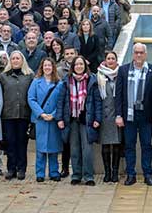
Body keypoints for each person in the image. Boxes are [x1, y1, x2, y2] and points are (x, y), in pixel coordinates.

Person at [115, 43, 152, 186]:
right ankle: (131, 174)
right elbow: (119, 95)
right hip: (128, 115)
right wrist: (118, 115)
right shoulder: (123, 70)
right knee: (129, 145)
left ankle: (148, 174)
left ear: (145, 54)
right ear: (133, 54)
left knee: (147, 145)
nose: (139, 55)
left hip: (146, 115)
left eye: (141, 52)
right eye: (136, 52)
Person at [61, 56, 101, 186]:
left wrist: (97, 118)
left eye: (81, 64)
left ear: (85, 66)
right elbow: (61, 101)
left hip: (87, 119)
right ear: (73, 66)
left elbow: (97, 101)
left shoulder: (92, 80)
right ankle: (76, 175)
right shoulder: (67, 80)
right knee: (74, 149)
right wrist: (60, 118)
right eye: (76, 64)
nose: (79, 66)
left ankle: (89, 176)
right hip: (71, 120)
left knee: (87, 149)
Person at [28, 58, 67, 182]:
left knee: (54, 148)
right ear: (42, 67)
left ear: (53, 67)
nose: (47, 68)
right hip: (41, 120)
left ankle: (54, 172)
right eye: (45, 65)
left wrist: (54, 114)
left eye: (49, 65)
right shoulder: (36, 82)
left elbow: (62, 101)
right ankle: (40, 173)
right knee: (41, 148)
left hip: (54, 120)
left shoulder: (59, 83)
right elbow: (31, 99)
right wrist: (41, 113)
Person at [0, 51, 35, 180]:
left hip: (24, 114)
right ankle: (11, 168)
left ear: (22, 60)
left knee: (22, 142)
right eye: (13, 58)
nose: (15, 60)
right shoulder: (3, 76)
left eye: (17, 58)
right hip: (8, 115)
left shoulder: (29, 75)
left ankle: (21, 168)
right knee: (10, 142)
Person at [96, 51, 122, 183]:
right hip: (104, 116)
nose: (110, 60)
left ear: (116, 60)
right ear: (105, 61)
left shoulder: (121, 73)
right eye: (108, 58)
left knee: (116, 145)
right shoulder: (99, 75)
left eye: (113, 58)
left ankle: (115, 172)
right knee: (105, 145)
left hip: (117, 115)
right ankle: (107, 173)